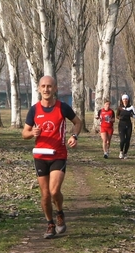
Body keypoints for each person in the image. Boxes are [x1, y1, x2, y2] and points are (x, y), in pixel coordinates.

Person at [22, 75, 82, 239]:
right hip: (40, 155)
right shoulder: (34, 110)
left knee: (54, 191)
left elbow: (78, 122)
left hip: (58, 154)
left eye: (50, 86)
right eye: (43, 86)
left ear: (55, 89)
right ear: (39, 89)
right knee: (45, 195)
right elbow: (24, 133)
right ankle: (50, 224)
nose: (46, 89)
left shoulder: (62, 107)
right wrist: (32, 133)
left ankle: (60, 212)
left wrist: (74, 136)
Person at [116, 94, 135, 159]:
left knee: (127, 140)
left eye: (126, 99)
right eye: (123, 99)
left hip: (128, 125)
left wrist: (131, 115)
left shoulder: (131, 107)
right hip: (121, 125)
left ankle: (125, 153)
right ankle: (121, 151)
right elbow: (117, 115)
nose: (125, 100)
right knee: (122, 140)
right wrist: (120, 117)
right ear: (122, 100)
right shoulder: (120, 107)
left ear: (128, 100)